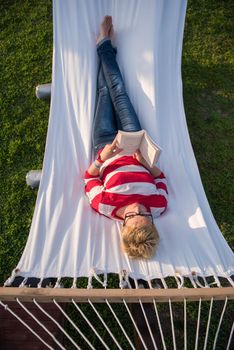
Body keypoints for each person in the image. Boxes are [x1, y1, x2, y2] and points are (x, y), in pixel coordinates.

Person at [84, 16, 168, 259]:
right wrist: (145, 164)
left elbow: (89, 177)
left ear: (123, 225)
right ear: (152, 221)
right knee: (119, 93)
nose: (138, 208)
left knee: (104, 93)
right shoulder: (159, 206)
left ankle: (107, 47)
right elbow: (160, 178)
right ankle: (105, 46)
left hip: (105, 144)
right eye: (146, 214)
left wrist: (104, 157)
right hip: (134, 142)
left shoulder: (105, 205)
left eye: (132, 215)